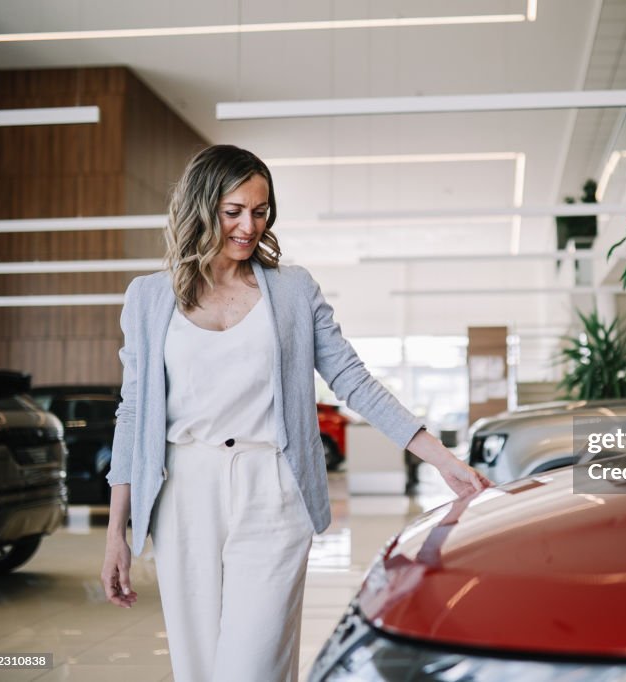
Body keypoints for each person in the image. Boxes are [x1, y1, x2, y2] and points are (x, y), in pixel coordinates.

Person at [100, 144, 490, 682]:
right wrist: (116, 530)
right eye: (232, 211)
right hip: (182, 489)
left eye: (260, 212)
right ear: (200, 205)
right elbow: (134, 410)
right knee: (198, 668)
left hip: (273, 488)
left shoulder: (291, 289)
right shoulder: (147, 297)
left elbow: (352, 379)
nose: (248, 226)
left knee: (252, 667)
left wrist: (440, 458)